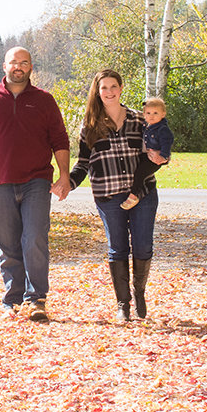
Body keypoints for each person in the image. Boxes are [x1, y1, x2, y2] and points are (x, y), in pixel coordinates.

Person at [0, 47, 72, 322]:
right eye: (13, 62)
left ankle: (36, 300)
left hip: (37, 180)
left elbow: (60, 139)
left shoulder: (44, 101)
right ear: (4, 66)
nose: (18, 67)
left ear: (31, 67)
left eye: (24, 63)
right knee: (7, 243)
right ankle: (14, 298)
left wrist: (65, 176)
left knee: (33, 237)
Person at [69, 70, 166, 322]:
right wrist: (68, 183)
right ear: (97, 91)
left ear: (121, 88)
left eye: (114, 86)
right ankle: (123, 303)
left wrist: (161, 159)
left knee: (143, 246)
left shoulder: (139, 119)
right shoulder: (90, 125)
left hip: (143, 193)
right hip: (108, 195)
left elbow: (155, 154)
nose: (109, 91)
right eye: (104, 88)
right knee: (118, 248)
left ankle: (140, 293)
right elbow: (82, 163)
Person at [120, 96, 173, 211]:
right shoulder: (146, 125)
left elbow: (168, 141)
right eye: (148, 113)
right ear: (144, 114)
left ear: (163, 114)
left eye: (155, 113)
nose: (151, 116)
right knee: (138, 171)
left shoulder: (162, 129)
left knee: (140, 173)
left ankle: (133, 196)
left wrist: (163, 156)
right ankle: (137, 191)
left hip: (155, 158)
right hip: (146, 155)